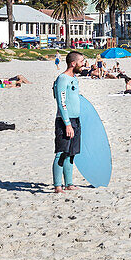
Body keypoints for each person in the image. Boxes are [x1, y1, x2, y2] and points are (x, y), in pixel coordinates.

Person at [53, 51, 85, 194]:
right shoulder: (62, 79)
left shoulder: (74, 78)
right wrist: (67, 123)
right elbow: (61, 102)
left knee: (71, 153)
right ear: (73, 63)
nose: (83, 64)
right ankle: (58, 185)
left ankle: (69, 183)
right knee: (61, 153)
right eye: (81, 62)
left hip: (75, 120)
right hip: (64, 121)